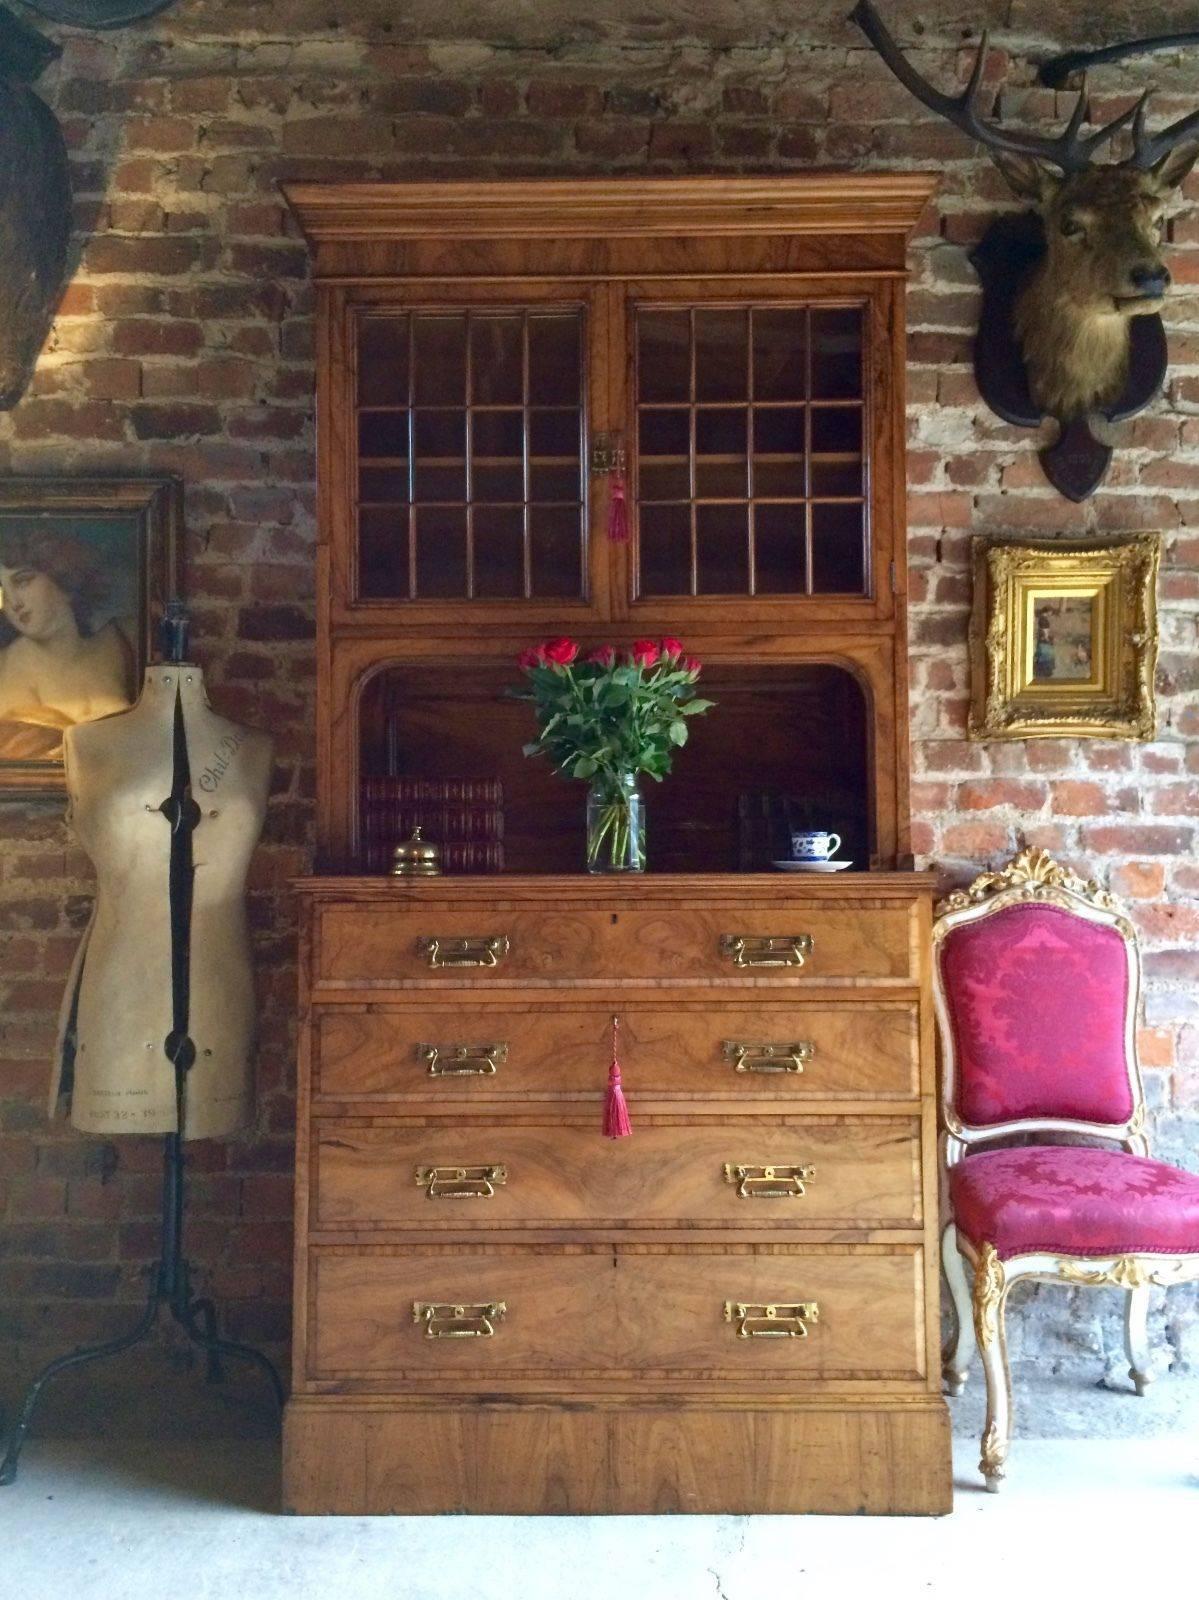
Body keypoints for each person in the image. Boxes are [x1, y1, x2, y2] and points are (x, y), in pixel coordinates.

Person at [0, 528, 135, 760]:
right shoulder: (5, 665)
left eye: (22, 581)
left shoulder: (122, 640)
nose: (12, 602)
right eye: (1, 592)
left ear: (62, 577)